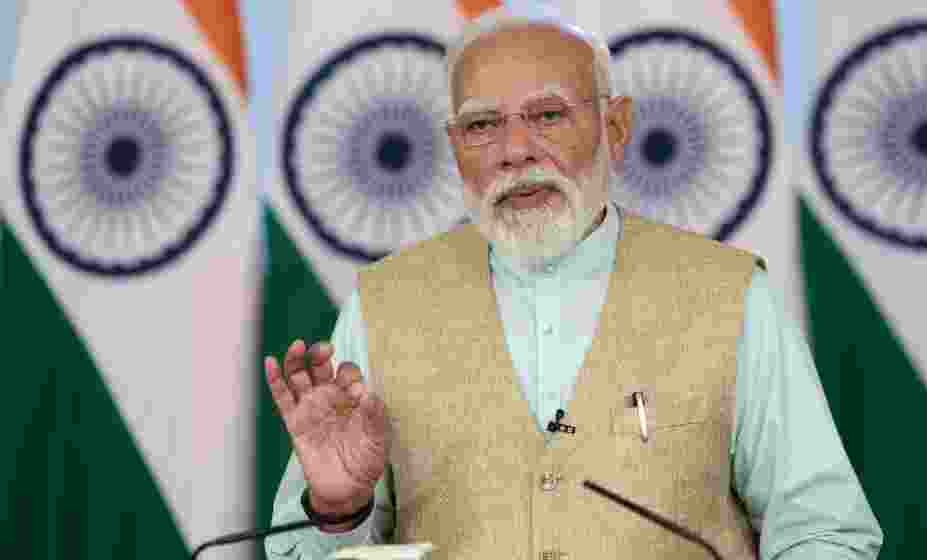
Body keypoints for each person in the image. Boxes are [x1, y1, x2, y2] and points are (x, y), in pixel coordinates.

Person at [264, 8, 883, 560]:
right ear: (455, 148)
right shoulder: (381, 306)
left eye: (549, 115)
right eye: (482, 126)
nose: (514, 151)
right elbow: (301, 553)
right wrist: (339, 510)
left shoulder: (730, 295)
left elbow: (823, 530)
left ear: (616, 127)